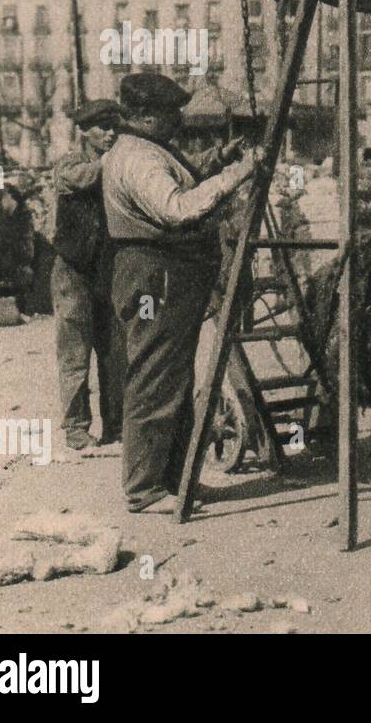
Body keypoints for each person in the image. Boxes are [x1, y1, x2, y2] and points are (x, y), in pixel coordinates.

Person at [102, 73, 261, 514]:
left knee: (175, 379)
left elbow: (183, 177)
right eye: (172, 112)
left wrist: (220, 159)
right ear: (147, 115)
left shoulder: (148, 148)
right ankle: (144, 489)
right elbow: (177, 207)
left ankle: (176, 478)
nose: (178, 119)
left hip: (166, 274)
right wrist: (239, 173)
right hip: (154, 275)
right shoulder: (137, 158)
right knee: (153, 379)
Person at [52, 98, 126, 450]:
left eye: (115, 127)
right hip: (72, 271)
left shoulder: (112, 163)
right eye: (103, 127)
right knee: (75, 352)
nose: (111, 134)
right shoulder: (70, 164)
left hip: (105, 271)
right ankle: (76, 427)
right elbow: (86, 177)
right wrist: (120, 157)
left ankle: (117, 425)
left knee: (114, 352)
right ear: (83, 131)